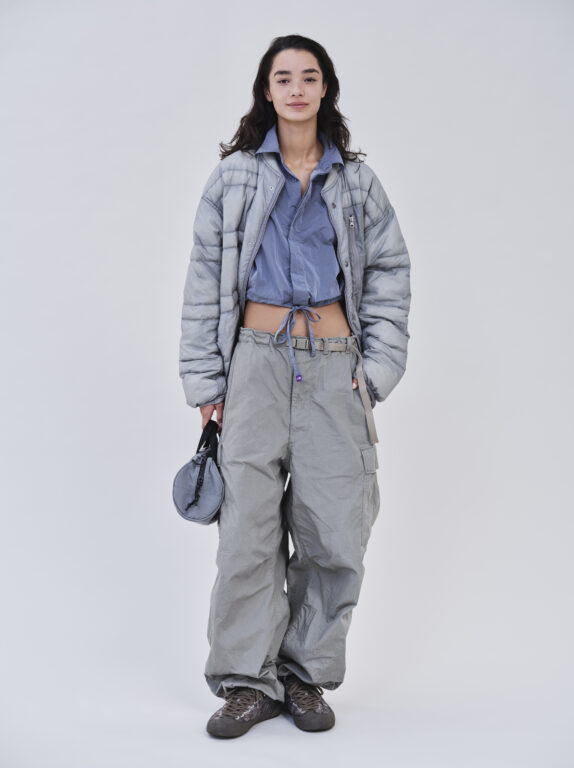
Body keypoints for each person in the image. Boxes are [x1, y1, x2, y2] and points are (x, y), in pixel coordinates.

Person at [179, 34, 411, 738]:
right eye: (284, 78)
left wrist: (375, 373)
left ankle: (306, 676)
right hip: (253, 366)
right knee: (246, 532)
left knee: (334, 529)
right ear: (267, 90)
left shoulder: (357, 182)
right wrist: (206, 381)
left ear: (326, 88)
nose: (297, 89)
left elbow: (390, 274)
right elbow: (204, 279)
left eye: (310, 77)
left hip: (335, 367)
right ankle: (248, 683)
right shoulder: (233, 178)